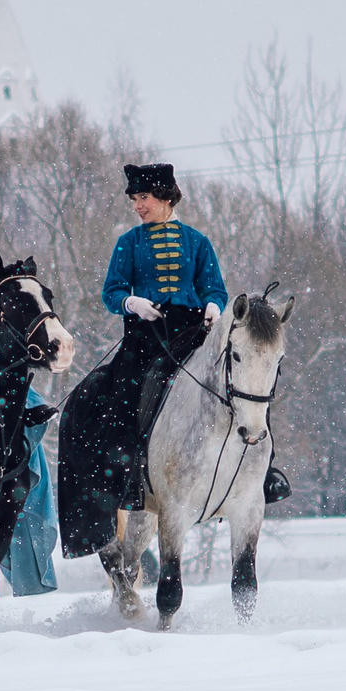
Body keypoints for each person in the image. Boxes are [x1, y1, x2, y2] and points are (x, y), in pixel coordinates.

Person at [58, 162, 233, 555]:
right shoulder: (129, 243)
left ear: (166, 197)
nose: (138, 205)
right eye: (135, 199)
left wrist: (212, 306)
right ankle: (129, 473)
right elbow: (111, 291)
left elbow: (215, 288)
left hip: (192, 334)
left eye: (144, 197)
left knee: (238, 384)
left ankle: (254, 472)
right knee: (121, 397)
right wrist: (131, 302)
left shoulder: (197, 241)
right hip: (146, 336)